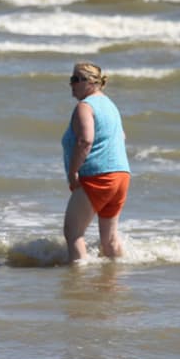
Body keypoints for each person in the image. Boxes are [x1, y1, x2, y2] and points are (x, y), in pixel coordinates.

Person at [61, 61, 130, 263]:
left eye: (75, 79)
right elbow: (122, 136)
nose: (71, 84)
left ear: (90, 82)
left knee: (73, 233)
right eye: (71, 79)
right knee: (110, 239)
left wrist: (73, 172)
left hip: (97, 176)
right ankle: (115, 274)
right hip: (121, 175)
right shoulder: (110, 105)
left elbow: (85, 140)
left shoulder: (85, 107)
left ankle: (79, 277)